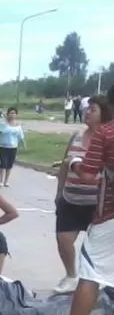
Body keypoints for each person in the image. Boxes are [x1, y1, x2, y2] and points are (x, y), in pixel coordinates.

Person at [37, 86, 114, 315]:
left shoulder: (107, 133)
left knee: (90, 274)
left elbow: (88, 174)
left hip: (110, 215)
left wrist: (73, 164)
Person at [52, 95, 111, 294]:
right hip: (70, 198)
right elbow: (65, 164)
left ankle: (97, 281)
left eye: (92, 109)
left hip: (97, 202)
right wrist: (59, 191)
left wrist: (79, 164)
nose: (86, 112)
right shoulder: (77, 135)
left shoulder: (106, 140)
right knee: (63, 239)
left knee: (96, 248)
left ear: (104, 113)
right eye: (86, 109)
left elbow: (88, 173)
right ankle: (71, 276)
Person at [0, 107, 25, 187]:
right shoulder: (3, 124)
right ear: (7, 114)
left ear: (16, 115)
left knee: (10, 164)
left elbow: (21, 136)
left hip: (13, 147)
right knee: (3, 163)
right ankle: (1, 181)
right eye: (10, 113)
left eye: (14, 113)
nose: (12, 115)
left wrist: (24, 145)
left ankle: (6, 181)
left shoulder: (18, 125)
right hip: (3, 146)